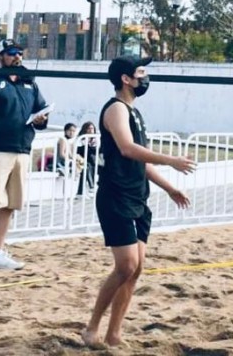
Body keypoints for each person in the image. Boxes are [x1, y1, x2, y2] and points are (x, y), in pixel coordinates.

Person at [82, 55, 197, 348]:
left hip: (137, 197)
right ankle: (92, 328)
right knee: (126, 266)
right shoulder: (116, 109)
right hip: (115, 196)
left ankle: (114, 333)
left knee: (136, 269)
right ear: (125, 78)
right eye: (141, 72)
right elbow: (128, 148)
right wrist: (171, 160)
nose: (145, 78)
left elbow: (140, 162)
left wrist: (170, 188)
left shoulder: (135, 113)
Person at [0, 39, 50, 270]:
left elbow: (41, 112)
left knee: (10, 203)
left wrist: (41, 119)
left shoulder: (30, 83)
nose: (17, 56)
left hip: (22, 148)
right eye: (11, 53)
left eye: (19, 53)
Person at [76, 121, 100, 197]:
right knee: (87, 167)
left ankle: (80, 192)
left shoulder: (96, 139)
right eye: (88, 128)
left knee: (88, 167)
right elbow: (79, 151)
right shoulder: (80, 139)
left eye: (92, 128)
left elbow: (97, 150)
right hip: (81, 160)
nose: (90, 130)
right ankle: (92, 186)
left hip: (93, 161)